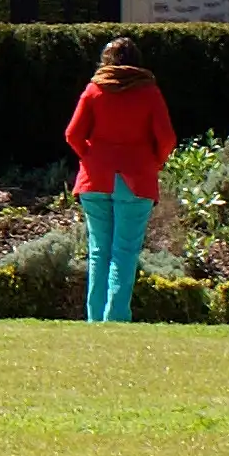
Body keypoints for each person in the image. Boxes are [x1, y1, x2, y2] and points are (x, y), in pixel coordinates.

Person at [62, 38, 180, 324]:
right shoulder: (149, 92)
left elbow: (73, 135)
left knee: (99, 250)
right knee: (124, 251)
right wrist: (154, 162)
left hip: (95, 179)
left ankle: (95, 319)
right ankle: (115, 318)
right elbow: (167, 139)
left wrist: (92, 157)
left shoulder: (93, 90)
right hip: (136, 178)